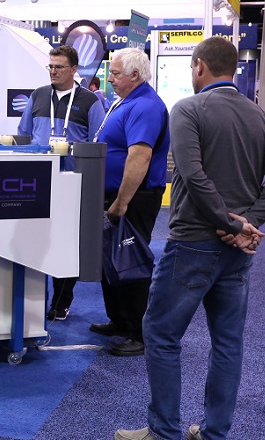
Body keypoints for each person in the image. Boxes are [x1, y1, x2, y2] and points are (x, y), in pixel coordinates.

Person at [115, 37, 265, 440]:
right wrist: (246, 223)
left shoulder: (188, 109)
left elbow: (193, 176)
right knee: (228, 343)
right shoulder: (262, 117)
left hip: (193, 243)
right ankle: (214, 434)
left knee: (161, 334)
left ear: (199, 66)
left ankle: (163, 432)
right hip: (236, 253)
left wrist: (233, 224)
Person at [17, 44, 106, 320]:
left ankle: (61, 301)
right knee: (36, 241)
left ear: (74, 70)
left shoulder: (90, 102)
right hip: (38, 181)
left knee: (67, 244)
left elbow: (98, 142)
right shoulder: (38, 95)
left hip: (72, 183)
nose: (53, 71)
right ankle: (32, 300)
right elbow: (24, 134)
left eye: (59, 67)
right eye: (51, 66)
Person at [91, 48, 169, 357]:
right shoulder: (127, 101)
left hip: (134, 198)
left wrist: (122, 202)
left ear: (135, 75)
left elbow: (140, 156)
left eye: (115, 73)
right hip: (116, 195)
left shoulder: (145, 105)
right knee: (111, 261)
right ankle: (120, 321)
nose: (109, 79)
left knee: (131, 264)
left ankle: (138, 333)